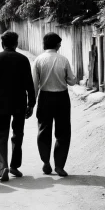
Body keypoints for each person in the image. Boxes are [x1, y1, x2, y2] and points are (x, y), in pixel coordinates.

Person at [0, 31, 36, 182]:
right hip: (19, 103)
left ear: (2, 44)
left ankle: (3, 168)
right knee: (17, 134)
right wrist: (31, 103)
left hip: (1, 103)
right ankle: (14, 166)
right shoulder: (23, 59)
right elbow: (29, 84)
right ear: (16, 44)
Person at [32, 32, 76, 177]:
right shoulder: (63, 60)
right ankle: (59, 166)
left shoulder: (38, 60)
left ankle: (45, 162)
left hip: (44, 97)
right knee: (63, 132)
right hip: (62, 98)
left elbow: (35, 85)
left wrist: (31, 103)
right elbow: (72, 81)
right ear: (57, 45)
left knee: (44, 130)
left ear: (44, 44)